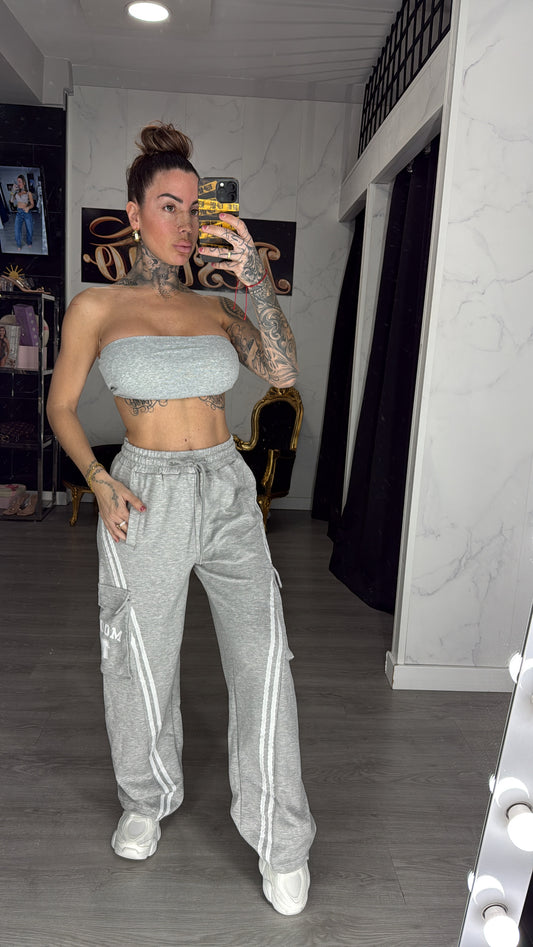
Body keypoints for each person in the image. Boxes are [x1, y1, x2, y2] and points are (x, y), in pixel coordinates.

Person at [47, 121, 316, 916]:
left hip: (226, 488)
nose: (186, 223)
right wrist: (98, 479)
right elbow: (61, 406)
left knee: (264, 657)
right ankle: (146, 797)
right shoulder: (97, 306)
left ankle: (281, 836)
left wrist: (257, 283)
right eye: (169, 206)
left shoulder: (218, 307)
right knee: (138, 654)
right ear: (134, 214)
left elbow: (282, 368)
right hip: (145, 489)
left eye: (196, 209)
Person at [10, 175, 35, 250]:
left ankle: (29, 242)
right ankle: (19, 244)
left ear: (24, 183)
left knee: (30, 229)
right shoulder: (16, 193)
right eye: (18, 182)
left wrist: (28, 207)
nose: (18, 183)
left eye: (20, 181)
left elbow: (32, 204)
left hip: (26, 212)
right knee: (17, 230)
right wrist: (13, 190)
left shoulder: (28, 193)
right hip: (19, 213)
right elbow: (11, 201)